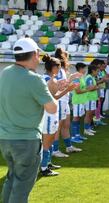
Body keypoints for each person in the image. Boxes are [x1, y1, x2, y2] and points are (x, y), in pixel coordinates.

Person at [0, 38, 57, 203]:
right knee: (21, 187)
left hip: (5, 139)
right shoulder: (34, 79)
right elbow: (52, 108)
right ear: (34, 54)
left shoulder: (6, 72)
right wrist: (51, 90)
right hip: (26, 140)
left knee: (11, 179)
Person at [40, 55, 77, 176]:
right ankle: (44, 167)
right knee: (47, 140)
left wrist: (62, 86)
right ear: (54, 67)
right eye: (58, 67)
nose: (59, 69)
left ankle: (48, 163)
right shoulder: (49, 80)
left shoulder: (47, 78)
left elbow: (53, 93)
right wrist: (68, 89)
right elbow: (54, 97)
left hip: (49, 113)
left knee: (49, 139)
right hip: (49, 114)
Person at [53, 49, 82, 156]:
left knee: (66, 124)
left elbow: (64, 83)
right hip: (60, 101)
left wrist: (71, 79)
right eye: (67, 57)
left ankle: (69, 146)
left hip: (64, 100)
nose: (68, 59)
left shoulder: (62, 70)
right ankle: (55, 150)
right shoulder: (59, 70)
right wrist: (71, 81)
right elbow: (59, 86)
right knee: (58, 127)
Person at [71, 63, 89, 142]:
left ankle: (77, 135)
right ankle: (74, 136)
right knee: (76, 118)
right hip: (77, 101)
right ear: (80, 69)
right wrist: (87, 89)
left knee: (78, 118)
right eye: (84, 68)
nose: (85, 70)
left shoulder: (81, 77)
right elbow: (77, 91)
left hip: (81, 101)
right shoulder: (76, 77)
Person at [84, 64, 99, 136]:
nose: (98, 73)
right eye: (97, 71)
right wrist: (96, 87)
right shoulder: (89, 78)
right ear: (93, 71)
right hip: (89, 98)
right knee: (88, 114)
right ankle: (86, 129)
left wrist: (95, 87)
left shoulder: (92, 77)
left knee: (91, 114)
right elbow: (89, 88)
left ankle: (88, 128)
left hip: (92, 98)